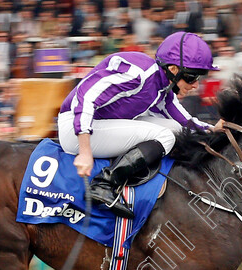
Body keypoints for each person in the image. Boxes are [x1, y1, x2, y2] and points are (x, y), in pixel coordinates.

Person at [58, 32, 220, 218]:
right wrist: (85, 151)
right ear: (174, 69)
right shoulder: (138, 75)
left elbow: (184, 120)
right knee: (165, 137)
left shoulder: (161, 86)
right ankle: (104, 184)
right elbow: (86, 97)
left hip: (100, 123)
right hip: (75, 129)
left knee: (176, 130)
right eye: (192, 77)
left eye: (200, 77)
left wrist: (212, 129)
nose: (195, 85)